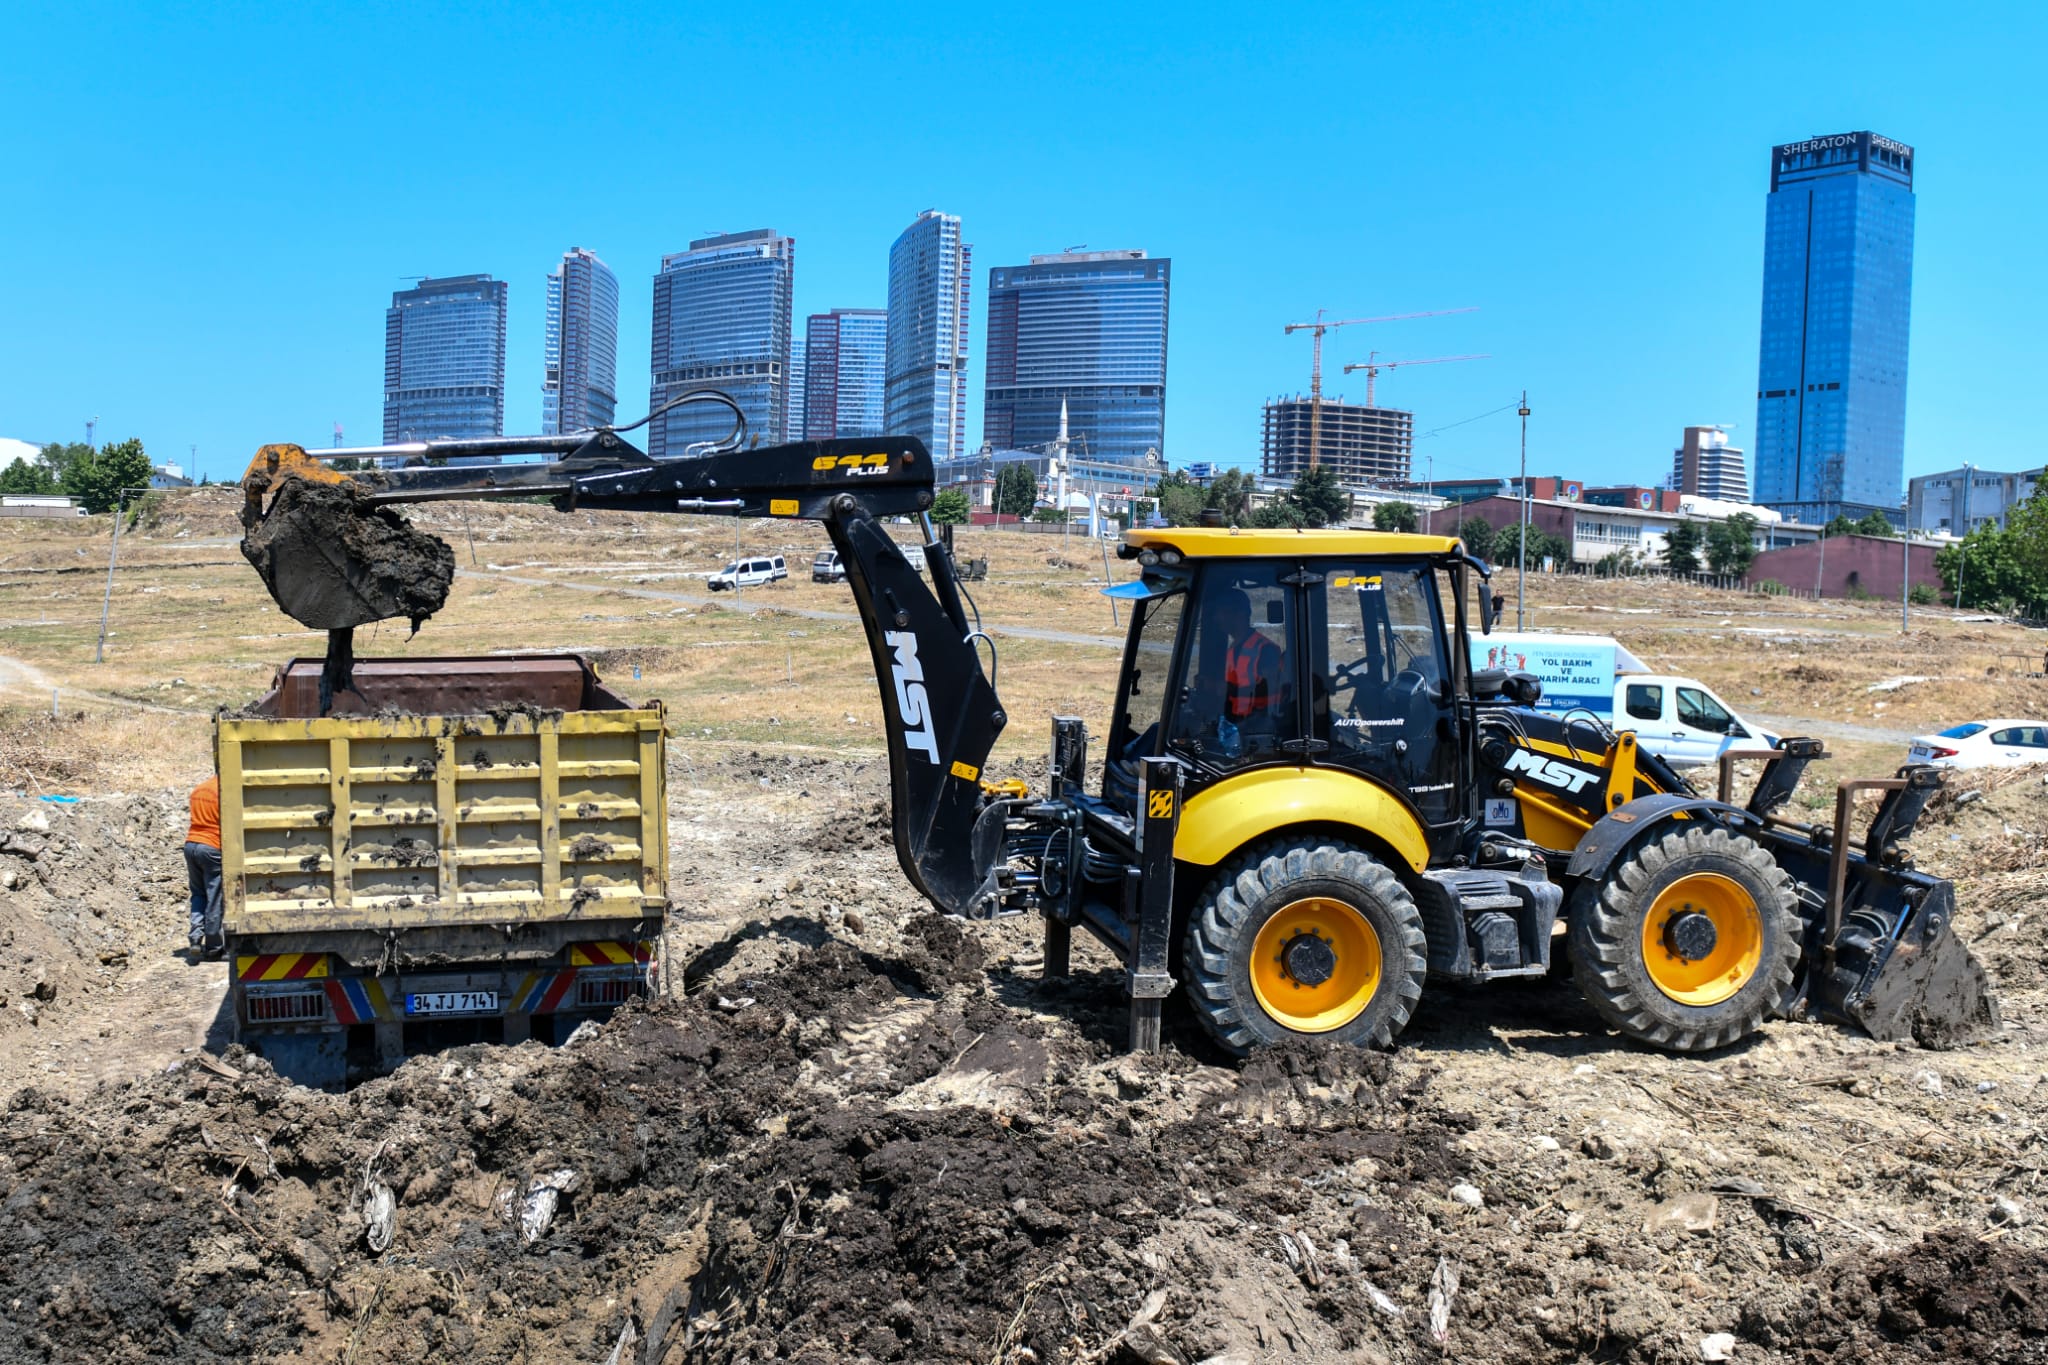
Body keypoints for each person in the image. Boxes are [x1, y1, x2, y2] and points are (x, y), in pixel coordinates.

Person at [184, 774, 224, 960]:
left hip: (191, 844)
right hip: (211, 847)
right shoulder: (223, 791)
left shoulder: (199, 788)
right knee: (214, 896)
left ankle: (195, 937)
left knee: (198, 893)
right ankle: (214, 947)